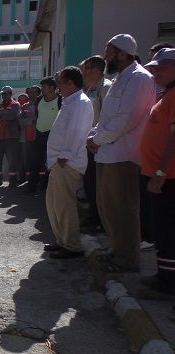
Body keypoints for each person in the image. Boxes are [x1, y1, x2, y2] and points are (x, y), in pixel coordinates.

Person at [86, 34, 156, 273]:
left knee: (123, 209)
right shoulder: (120, 78)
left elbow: (125, 120)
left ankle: (128, 258)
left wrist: (96, 139)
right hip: (107, 153)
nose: (106, 56)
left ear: (122, 54)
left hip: (124, 156)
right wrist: (93, 136)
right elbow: (107, 119)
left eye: (109, 51)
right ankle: (117, 251)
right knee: (108, 207)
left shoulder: (140, 78)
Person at [43, 66, 94, 258]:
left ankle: (72, 245)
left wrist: (64, 156)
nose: (58, 86)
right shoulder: (70, 101)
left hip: (67, 162)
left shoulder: (80, 102)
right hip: (59, 161)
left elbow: (77, 132)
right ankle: (62, 240)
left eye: (60, 82)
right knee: (54, 203)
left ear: (71, 83)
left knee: (64, 205)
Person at [138, 48, 175, 296]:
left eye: (162, 67)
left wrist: (161, 173)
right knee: (160, 229)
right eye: (155, 68)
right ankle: (163, 275)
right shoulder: (166, 95)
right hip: (157, 175)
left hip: (167, 178)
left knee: (168, 230)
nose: (156, 72)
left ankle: (168, 284)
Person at [80, 55, 112, 234]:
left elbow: (107, 120)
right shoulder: (91, 88)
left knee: (98, 184)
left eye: (87, 68)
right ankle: (93, 216)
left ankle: (100, 220)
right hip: (90, 142)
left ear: (98, 70)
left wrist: (96, 139)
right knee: (90, 182)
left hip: (100, 144)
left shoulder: (106, 88)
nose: (84, 72)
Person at [26, 78, 61, 193]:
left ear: (52, 88)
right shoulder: (39, 100)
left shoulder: (60, 100)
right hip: (39, 135)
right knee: (34, 162)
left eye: (44, 87)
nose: (42, 89)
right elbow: (38, 115)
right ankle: (31, 188)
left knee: (50, 163)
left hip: (53, 136)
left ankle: (47, 188)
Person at [0, 86, 21, 188]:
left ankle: (12, 181)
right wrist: (4, 113)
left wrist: (0, 114)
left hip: (11, 137)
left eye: (6, 93)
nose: (3, 95)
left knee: (12, 159)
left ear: (10, 94)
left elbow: (13, 116)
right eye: (2, 94)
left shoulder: (15, 105)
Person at [16, 92, 30, 184]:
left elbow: (28, 122)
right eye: (19, 100)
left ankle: (26, 178)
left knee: (25, 159)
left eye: (23, 100)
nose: (21, 102)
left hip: (25, 138)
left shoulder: (28, 109)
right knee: (19, 159)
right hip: (16, 138)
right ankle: (21, 177)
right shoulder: (17, 109)